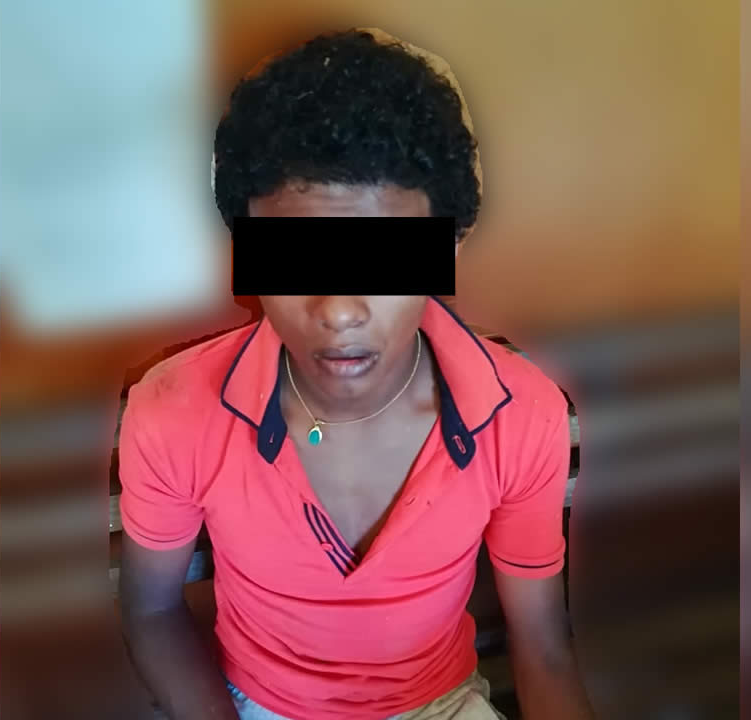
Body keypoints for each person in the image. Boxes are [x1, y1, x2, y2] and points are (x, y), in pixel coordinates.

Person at [119, 28, 593, 720]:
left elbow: (545, 646)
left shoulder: (521, 415)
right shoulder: (175, 409)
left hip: (441, 705)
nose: (340, 310)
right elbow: (152, 611)